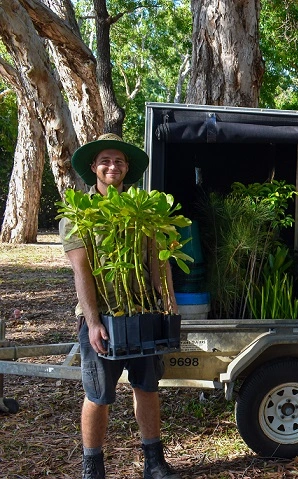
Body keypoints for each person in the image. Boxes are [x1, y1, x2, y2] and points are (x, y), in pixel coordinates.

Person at [60, 133, 180, 479]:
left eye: (120, 161)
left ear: (128, 168)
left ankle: (154, 462)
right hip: (103, 319)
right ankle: (92, 465)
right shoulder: (78, 214)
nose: (113, 166)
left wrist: (167, 306)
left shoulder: (145, 210)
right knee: (98, 394)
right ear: (94, 168)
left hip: (141, 312)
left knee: (147, 387)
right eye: (106, 161)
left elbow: (159, 263)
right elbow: (81, 271)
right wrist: (94, 321)